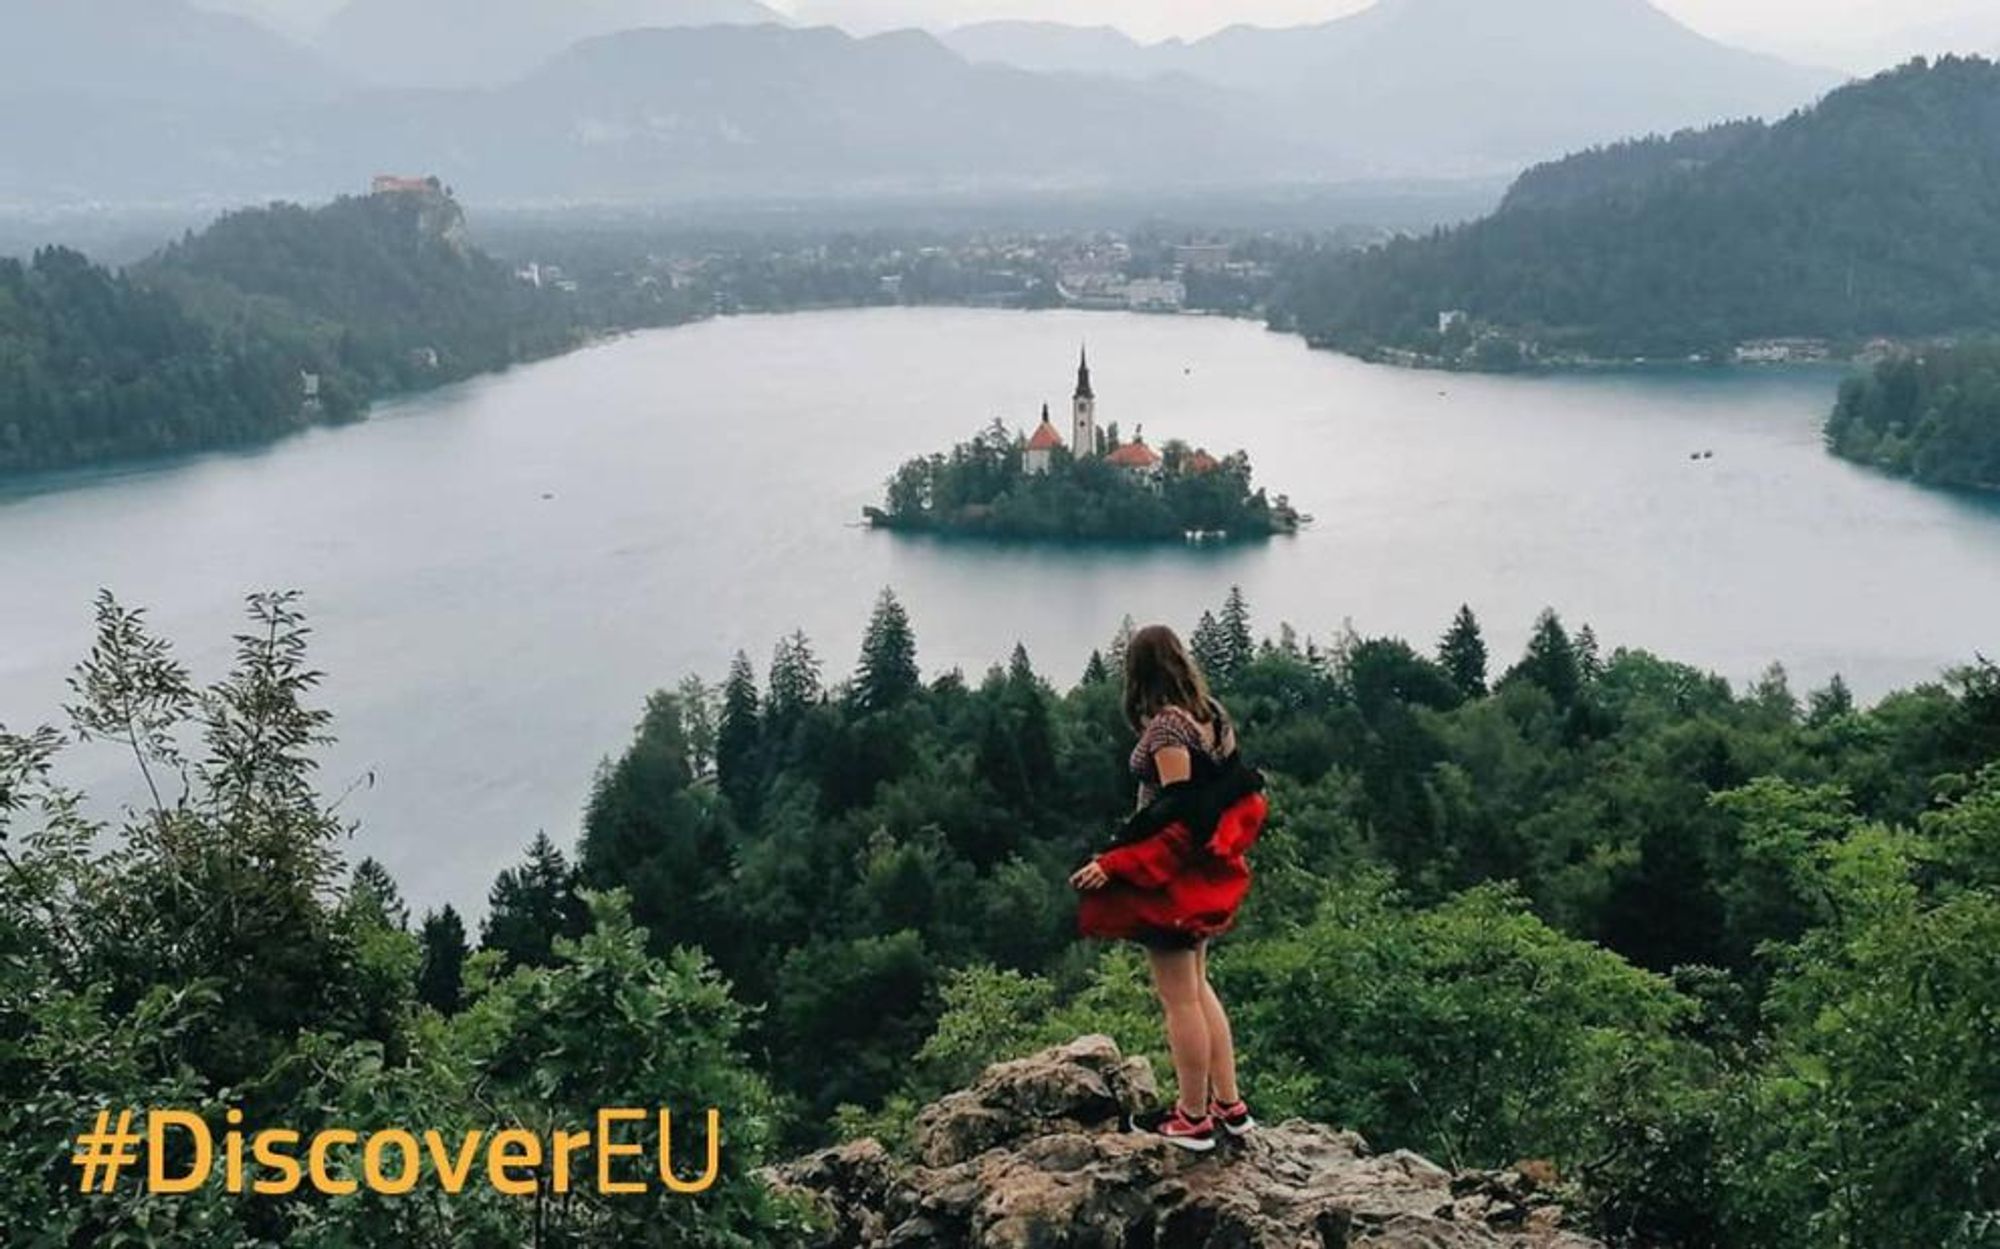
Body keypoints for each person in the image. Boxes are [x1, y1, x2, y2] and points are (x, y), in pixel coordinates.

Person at [1072, 624, 1268, 1152]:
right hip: (1199, 874)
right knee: (1199, 988)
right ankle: (1229, 1106)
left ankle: (1193, 1119)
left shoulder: (1167, 729)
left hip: (1172, 880)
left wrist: (1118, 862)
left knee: (1179, 999)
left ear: (1137, 674)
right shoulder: (1213, 714)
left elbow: (1177, 813)